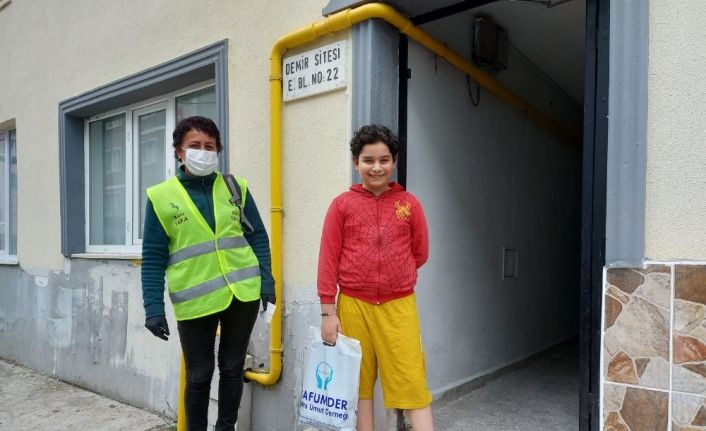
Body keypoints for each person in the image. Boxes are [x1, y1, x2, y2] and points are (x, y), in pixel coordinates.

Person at [141, 116, 275, 431]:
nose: (203, 152)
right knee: (199, 375)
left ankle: (226, 428)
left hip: (242, 293)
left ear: (218, 151)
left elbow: (257, 237)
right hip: (195, 301)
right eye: (195, 146)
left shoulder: (235, 187)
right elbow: (153, 257)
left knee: (232, 368)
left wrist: (266, 282)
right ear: (179, 151)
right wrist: (153, 308)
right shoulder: (161, 197)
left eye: (209, 146)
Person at [317, 124, 434, 431]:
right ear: (356, 162)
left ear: (394, 161)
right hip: (353, 306)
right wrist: (328, 312)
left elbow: (420, 252)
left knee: (411, 380)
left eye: (384, 160)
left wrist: (397, 273)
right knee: (358, 383)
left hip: (399, 307)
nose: (377, 167)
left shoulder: (409, 204)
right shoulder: (341, 205)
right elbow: (328, 260)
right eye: (368, 160)